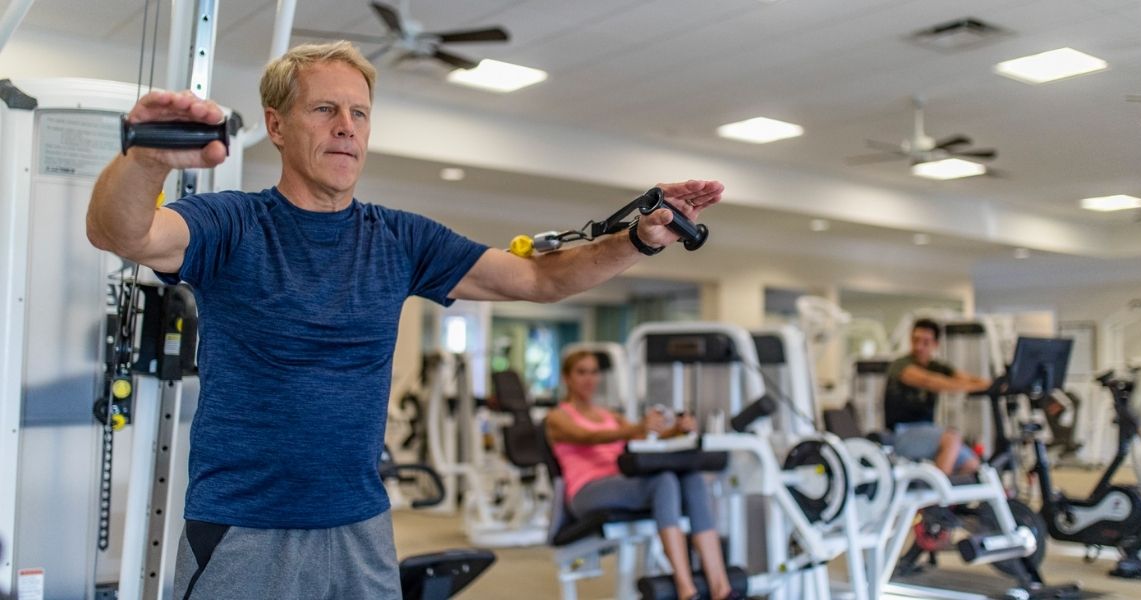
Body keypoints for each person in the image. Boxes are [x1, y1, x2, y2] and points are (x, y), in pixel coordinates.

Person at [85, 41, 723, 600]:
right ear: (276, 126)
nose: (346, 127)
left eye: (359, 113)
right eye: (324, 109)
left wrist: (637, 240)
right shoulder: (232, 225)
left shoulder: (400, 239)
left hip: (361, 524)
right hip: (247, 526)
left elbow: (539, 278)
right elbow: (122, 233)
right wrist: (147, 159)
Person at [546, 351, 738, 600]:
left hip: (621, 486)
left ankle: (720, 588)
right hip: (586, 492)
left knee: (691, 477)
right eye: (581, 372)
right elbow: (587, 436)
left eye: (594, 372)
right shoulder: (558, 417)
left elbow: (643, 436)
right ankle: (686, 589)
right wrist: (634, 428)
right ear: (567, 378)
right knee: (663, 480)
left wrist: (678, 431)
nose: (589, 378)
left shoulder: (609, 416)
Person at [884, 318, 991, 476]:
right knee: (952, 438)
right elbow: (931, 381)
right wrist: (976, 386)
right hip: (901, 433)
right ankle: (939, 499)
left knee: (972, 464)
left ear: (935, 344)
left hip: (928, 429)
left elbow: (965, 378)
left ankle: (955, 499)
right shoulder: (900, 365)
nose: (919, 346)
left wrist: (995, 385)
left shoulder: (937, 366)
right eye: (916, 340)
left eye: (925, 342)